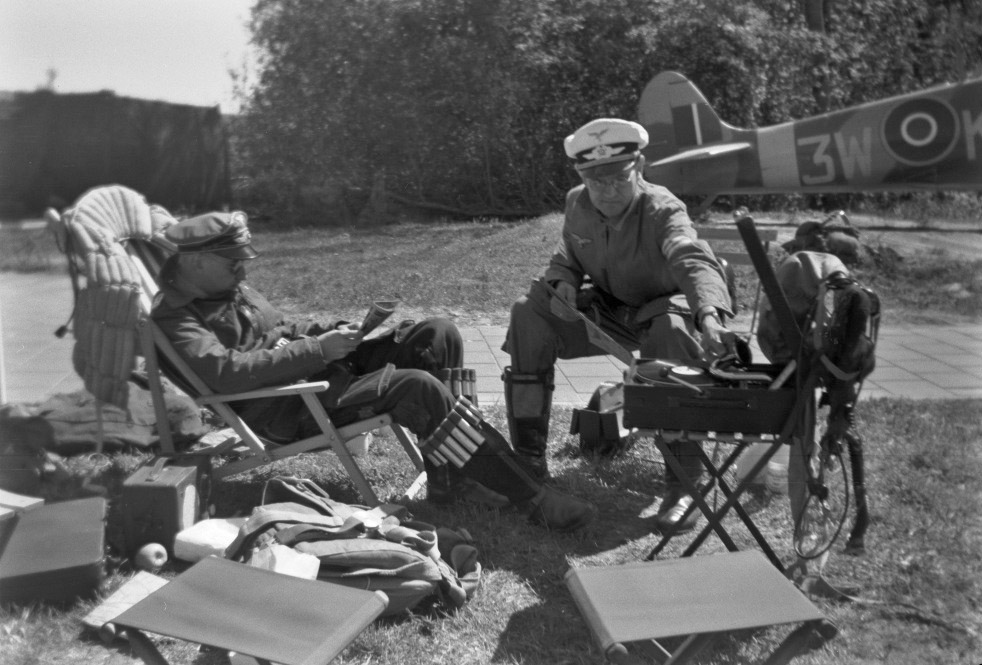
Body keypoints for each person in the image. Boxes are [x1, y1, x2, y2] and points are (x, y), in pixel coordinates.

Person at [151, 211, 596, 532]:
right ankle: (531, 497)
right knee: (418, 388)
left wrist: (332, 333)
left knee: (437, 333)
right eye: (234, 262)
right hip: (291, 405)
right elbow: (227, 375)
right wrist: (315, 350)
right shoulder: (177, 319)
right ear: (195, 262)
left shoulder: (229, 288)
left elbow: (283, 327)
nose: (243, 269)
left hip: (317, 374)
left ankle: (452, 479)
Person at [502, 118, 737, 533]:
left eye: (618, 179)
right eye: (596, 181)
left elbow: (692, 260)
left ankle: (684, 484)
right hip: (611, 311)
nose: (607, 191)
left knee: (671, 332)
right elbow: (567, 256)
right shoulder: (578, 203)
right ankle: (528, 459)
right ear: (582, 177)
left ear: (640, 167)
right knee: (528, 313)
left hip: (664, 309)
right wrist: (563, 282)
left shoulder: (664, 209)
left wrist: (710, 315)